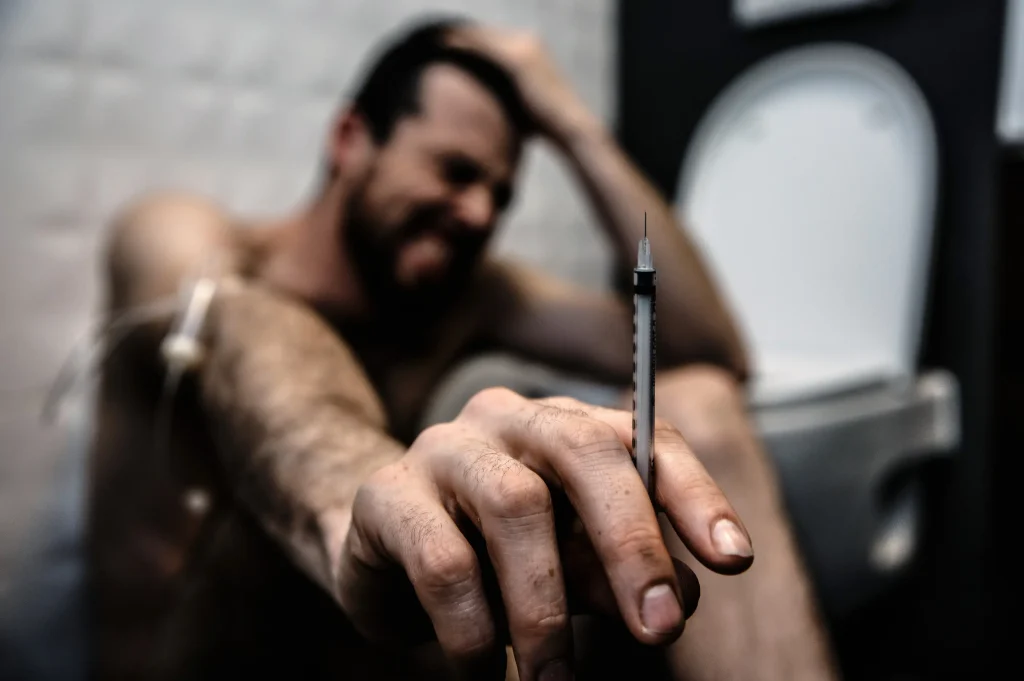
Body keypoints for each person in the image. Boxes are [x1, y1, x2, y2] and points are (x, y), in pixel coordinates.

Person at [88, 18, 837, 681]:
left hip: (379, 650)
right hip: (209, 656)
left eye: (500, 194)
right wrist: (364, 506)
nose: (480, 212)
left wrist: (576, 127)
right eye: (455, 171)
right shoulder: (188, 240)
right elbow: (243, 335)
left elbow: (703, 347)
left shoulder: (465, 298)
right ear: (351, 139)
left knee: (693, 403)